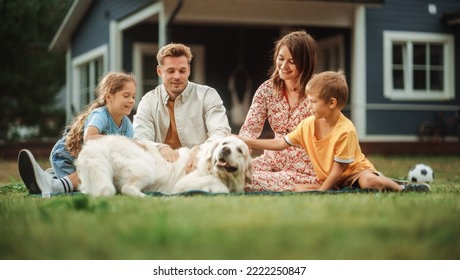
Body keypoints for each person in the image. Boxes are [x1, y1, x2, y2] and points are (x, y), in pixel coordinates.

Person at [239, 70, 431, 192]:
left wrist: (323, 191)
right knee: (297, 189)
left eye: (313, 101)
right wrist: (246, 141)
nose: (308, 105)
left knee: (368, 183)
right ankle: (389, 182)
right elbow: (280, 143)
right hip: (331, 178)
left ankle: (403, 188)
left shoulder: (345, 131)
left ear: (332, 103)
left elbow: (340, 170)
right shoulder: (307, 124)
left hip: (353, 173)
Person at [18, 71, 137, 194]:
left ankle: (52, 177)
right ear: (109, 97)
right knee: (89, 180)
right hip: (66, 156)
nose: (131, 100)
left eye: (133, 96)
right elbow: (89, 138)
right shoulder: (101, 115)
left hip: (83, 162)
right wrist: (118, 142)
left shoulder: (127, 125)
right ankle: (52, 184)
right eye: (126, 96)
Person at [238, 30, 318, 192]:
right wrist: (242, 146)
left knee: (245, 182)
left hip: (304, 167)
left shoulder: (317, 91)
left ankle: (309, 186)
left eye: (292, 61)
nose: (283, 66)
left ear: (305, 62)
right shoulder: (267, 89)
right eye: (281, 59)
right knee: (228, 173)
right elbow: (249, 129)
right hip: (272, 160)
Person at [133, 43, 231, 162]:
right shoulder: (148, 100)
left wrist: (200, 150)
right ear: (159, 71)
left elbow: (221, 132)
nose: (177, 76)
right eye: (171, 71)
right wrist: (160, 147)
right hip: (162, 165)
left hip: (199, 164)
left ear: (188, 70)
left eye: (182, 70)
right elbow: (140, 138)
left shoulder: (208, 95)